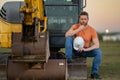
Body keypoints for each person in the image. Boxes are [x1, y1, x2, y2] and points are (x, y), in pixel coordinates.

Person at [65, 11, 102, 79]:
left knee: (99, 52)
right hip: (76, 50)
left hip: (86, 50)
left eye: (85, 19)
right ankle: (68, 59)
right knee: (69, 38)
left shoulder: (92, 30)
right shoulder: (75, 26)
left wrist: (85, 49)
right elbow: (66, 34)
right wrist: (79, 29)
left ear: (88, 20)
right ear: (79, 19)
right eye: (82, 19)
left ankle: (94, 73)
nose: (83, 21)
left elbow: (97, 45)